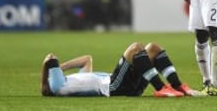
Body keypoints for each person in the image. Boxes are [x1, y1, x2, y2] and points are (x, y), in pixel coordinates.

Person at [41, 42, 201, 97]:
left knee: (153, 48)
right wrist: (48, 72)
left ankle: (177, 85)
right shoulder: (58, 87)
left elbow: (87, 59)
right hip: (113, 87)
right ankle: (161, 88)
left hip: (123, 85)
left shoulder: (73, 81)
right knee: (135, 48)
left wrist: (61, 68)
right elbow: (51, 57)